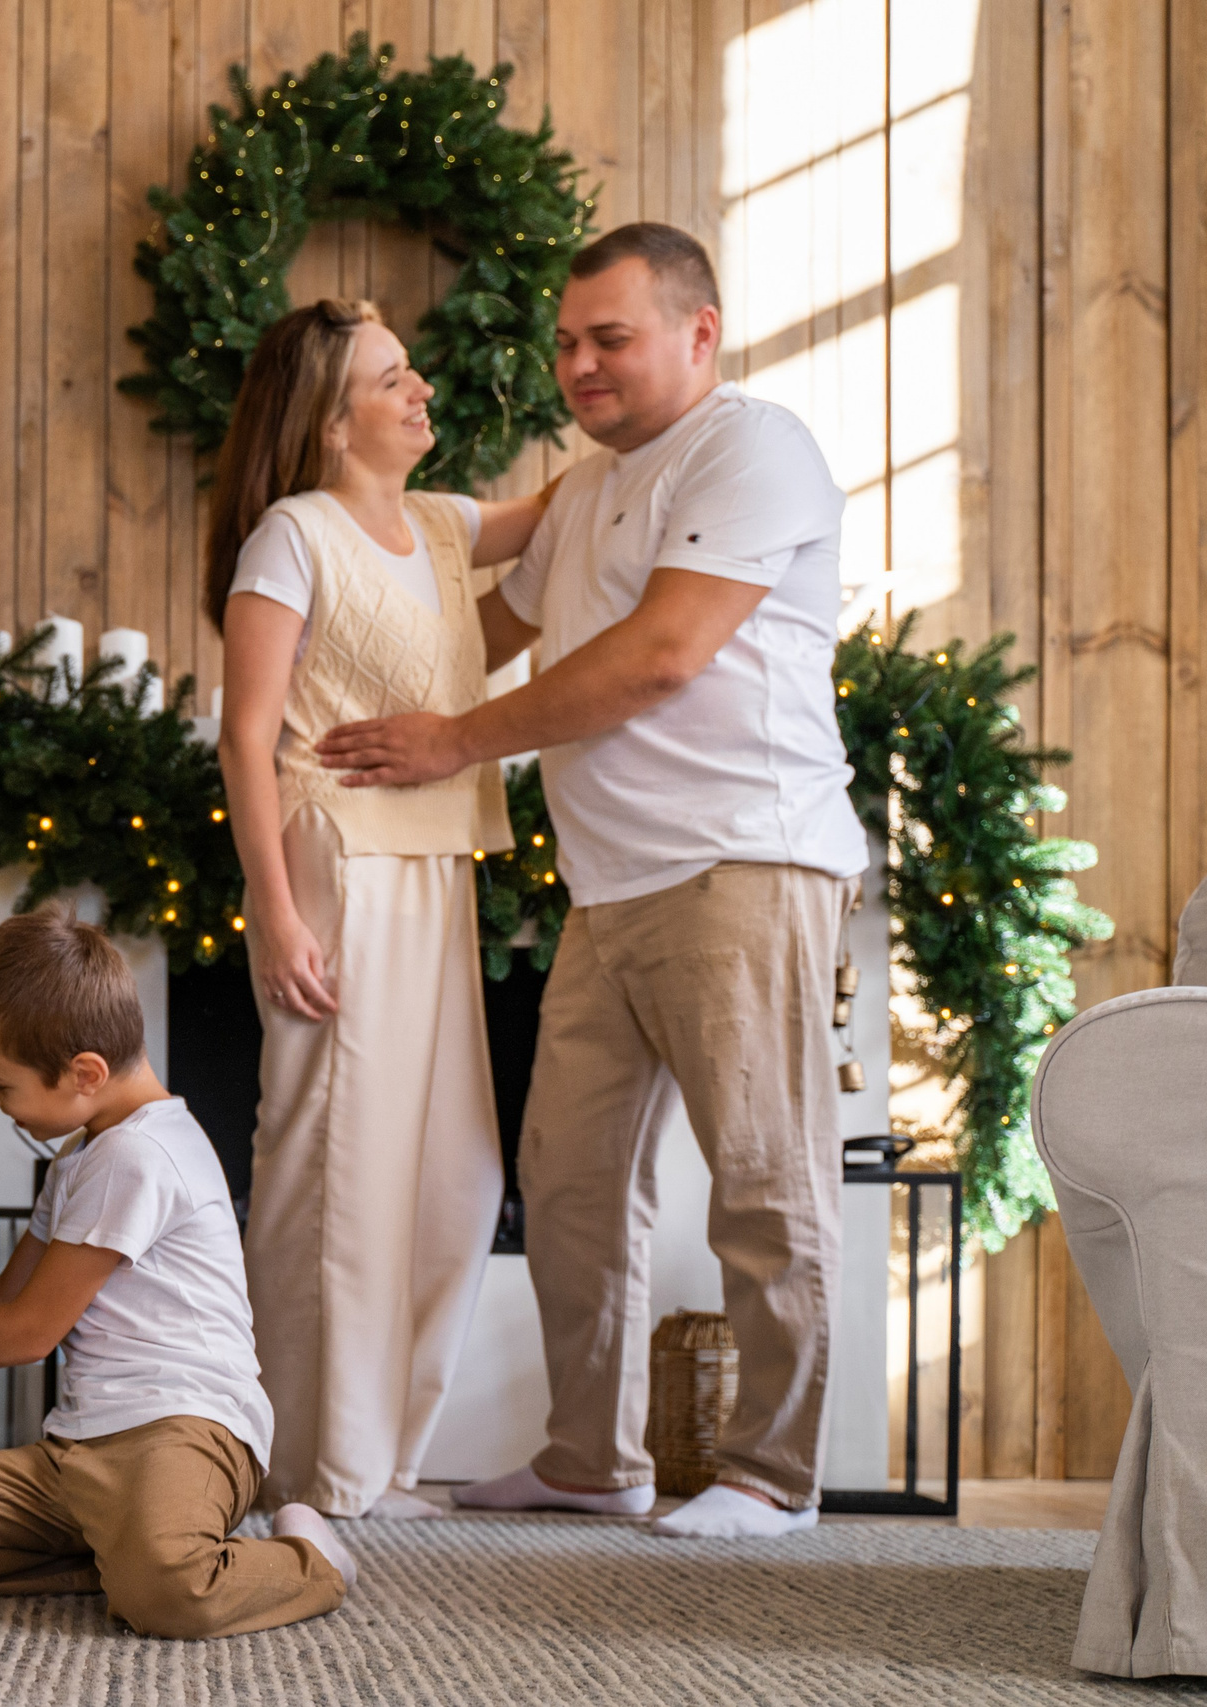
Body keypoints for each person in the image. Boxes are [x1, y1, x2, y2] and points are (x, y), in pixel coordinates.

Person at [312, 223, 868, 1540]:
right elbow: (475, 632)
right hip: (610, 887)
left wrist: (446, 742)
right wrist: (310, 619)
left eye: (609, 338)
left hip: (748, 856)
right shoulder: (581, 493)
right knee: (567, 1179)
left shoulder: (753, 448)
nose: (579, 364)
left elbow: (664, 652)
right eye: (567, 342)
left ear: (699, 332)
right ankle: (590, 1452)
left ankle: (771, 1474)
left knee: (762, 1172)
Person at [212, 299, 547, 1518]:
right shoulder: (290, 537)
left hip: (439, 860)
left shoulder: (444, 530)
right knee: (338, 1173)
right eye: (391, 380)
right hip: (334, 862)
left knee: (453, 1179)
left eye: (412, 375)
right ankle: (312, 1467)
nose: (421, 395)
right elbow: (245, 733)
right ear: (331, 419)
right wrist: (275, 910)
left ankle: (381, 1458)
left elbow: (566, 512)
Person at [0, 906, 350, 1638]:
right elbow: (5, 1291)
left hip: (182, 1428)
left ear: (84, 1073)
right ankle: (110, 1557)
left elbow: (29, 1328)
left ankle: (308, 1558)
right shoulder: (83, 1152)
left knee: (172, 1592)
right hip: (77, 1451)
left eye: (0, 1083)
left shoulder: (140, 1156)